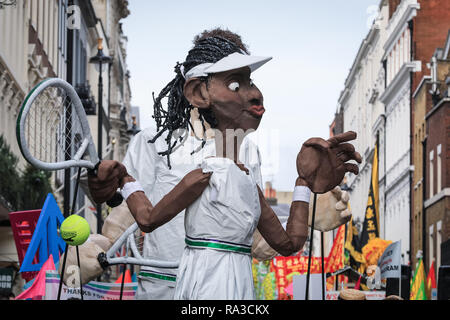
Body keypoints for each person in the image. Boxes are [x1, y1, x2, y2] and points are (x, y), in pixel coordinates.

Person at [88, 31, 362, 299]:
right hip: (167, 287)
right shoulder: (155, 141)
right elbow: (130, 217)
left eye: (249, 81)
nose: (254, 95)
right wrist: (96, 246)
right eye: (235, 83)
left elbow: (254, 236)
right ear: (198, 91)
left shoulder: (248, 155)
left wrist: (304, 202)